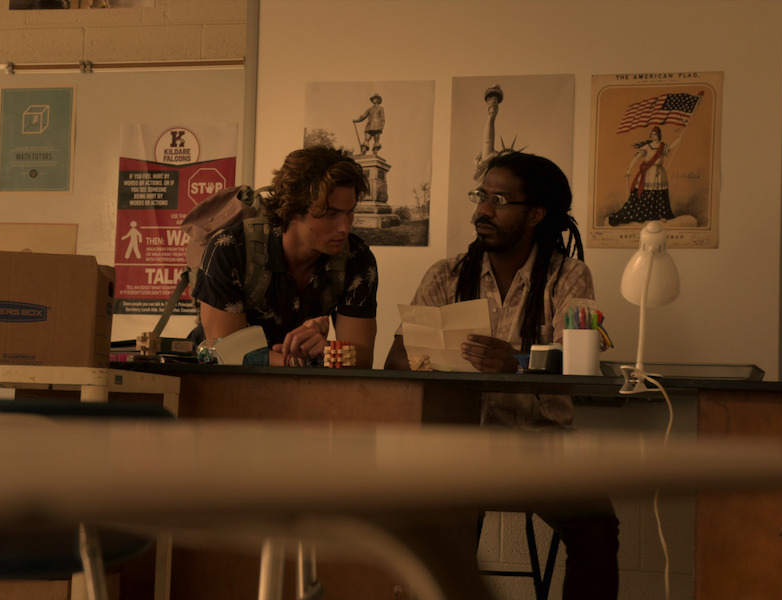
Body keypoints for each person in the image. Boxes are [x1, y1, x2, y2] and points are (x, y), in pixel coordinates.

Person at [385, 151, 619, 599]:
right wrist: (442, 356)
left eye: (498, 199)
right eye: (481, 196)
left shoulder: (568, 275)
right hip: (456, 446)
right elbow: (396, 361)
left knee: (598, 529)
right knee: (437, 528)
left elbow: (579, 363)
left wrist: (515, 362)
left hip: (541, 448)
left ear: (535, 213)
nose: (482, 211)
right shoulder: (447, 275)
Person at [191, 145, 378, 368]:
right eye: (330, 215)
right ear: (294, 210)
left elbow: (362, 358)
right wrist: (298, 361)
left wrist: (326, 350)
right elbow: (224, 354)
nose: (345, 228)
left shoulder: (356, 257)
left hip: (306, 388)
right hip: (227, 388)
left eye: (350, 213)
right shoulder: (231, 249)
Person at [607, 125, 678, 226]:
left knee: (660, 193)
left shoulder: (663, 146)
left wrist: (680, 138)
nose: (654, 136)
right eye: (652, 134)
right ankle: (647, 214)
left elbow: (671, 147)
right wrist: (629, 168)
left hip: (659, 172)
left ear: (659, 135)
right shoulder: (647, 147)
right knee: (647, 193)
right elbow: (636, 157)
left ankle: (661, 215)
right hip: (648, 172)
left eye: (656, 134)